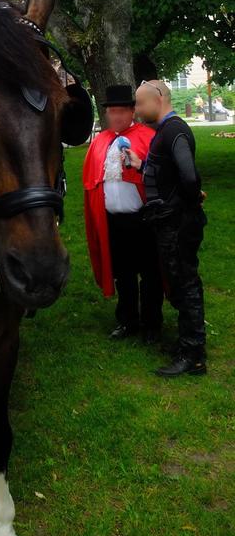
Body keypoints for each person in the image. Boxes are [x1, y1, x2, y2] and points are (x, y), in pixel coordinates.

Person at [126, 80, 208, 377]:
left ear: (159, 98)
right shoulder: (164, 132)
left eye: (139, 103)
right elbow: (170, 171)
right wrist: (141, 165)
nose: (135, 110)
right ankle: (188, 345)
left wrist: (182, 205)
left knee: (185, 284)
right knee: (178, 283)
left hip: (177, 224)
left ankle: (193, 354)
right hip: (171, 222)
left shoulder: (174, 130)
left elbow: (188, 176)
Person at [83, 85, 162, 343]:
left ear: (131, 112)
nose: (116, 117)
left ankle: (151, 324)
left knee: (150, 274)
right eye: (112, 112)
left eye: (121, 111)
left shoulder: (148, 137)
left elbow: (161, 177)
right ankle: (127, 320)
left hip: (143, 220)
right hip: (112, 222)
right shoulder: (99, 142)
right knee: (124, 274)